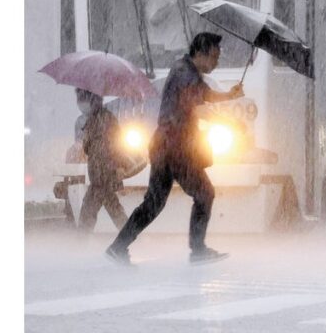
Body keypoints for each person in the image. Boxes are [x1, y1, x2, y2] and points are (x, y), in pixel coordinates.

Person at [105, 32, 244, 265]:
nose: (217, 62)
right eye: (215, 56)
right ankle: (198, 250)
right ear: (201, 52)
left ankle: (118, 247)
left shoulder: (185, 70)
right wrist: (230, 115)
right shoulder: (185, 73)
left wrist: (228, 95)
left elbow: (202, 96)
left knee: (153, 203)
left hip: (165, 146)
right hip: (176, 148)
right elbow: (200, 103)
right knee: (204, 193)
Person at [75, 89, 129, 232]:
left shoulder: (95, 120)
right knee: (113, 208)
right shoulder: (106, 118)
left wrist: (86, 138)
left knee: (89, 210)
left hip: (101, 173)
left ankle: (78, 246)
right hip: (103, 172)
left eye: (81, 100)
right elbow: (117, 143)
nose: (79, 105)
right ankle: (130, 235)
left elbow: (90, 148)